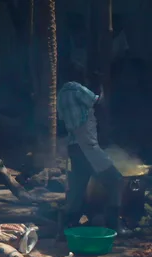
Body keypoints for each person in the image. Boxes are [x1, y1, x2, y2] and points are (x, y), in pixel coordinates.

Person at [58, 67, 121, 233]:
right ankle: (113, 225)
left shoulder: (61, 94)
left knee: (78, 187)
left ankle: (68, 225)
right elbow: (98, 102)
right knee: (116, 180)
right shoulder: (77, 89)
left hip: (74, 146)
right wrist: (100, 85)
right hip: (88, 146)